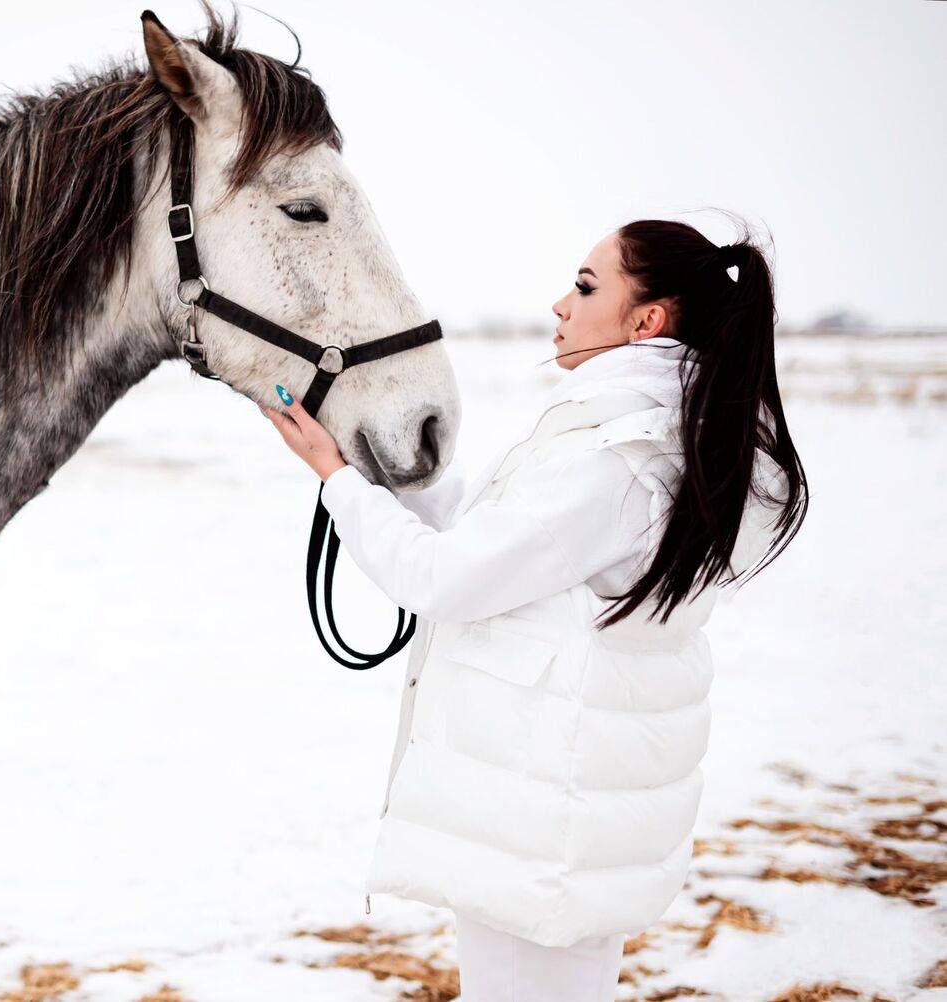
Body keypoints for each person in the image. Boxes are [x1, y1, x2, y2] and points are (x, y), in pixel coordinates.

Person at [260, 220, 809, 1002]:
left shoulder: (617, 458)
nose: (560, 305)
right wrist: (382, 470)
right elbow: (499, 546)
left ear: (647, 321)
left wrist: (336, 480)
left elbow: (442, 578)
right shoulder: (654, 435)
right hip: (558, 805)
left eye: (586, 286)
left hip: (546, 816)